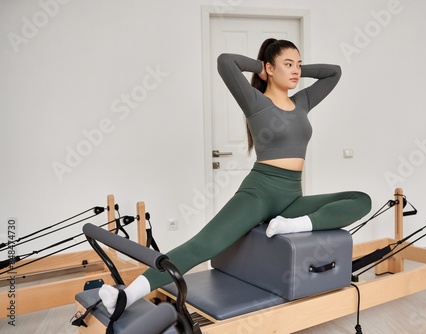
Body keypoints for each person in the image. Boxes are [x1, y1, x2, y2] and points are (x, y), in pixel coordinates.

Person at [99, 38, 372, 316]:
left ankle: (294, 226)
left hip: (291, 199)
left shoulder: (302, 102)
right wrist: (263, 66)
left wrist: (294, 66)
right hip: (259, 194)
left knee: (361, 200)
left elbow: (334, 72)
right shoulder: (256, 101)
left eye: (298, 65)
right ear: (269, 68)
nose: (295, 71)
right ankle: (126, 295)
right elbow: (226, 61)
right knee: (203, 244)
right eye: (287, 65)